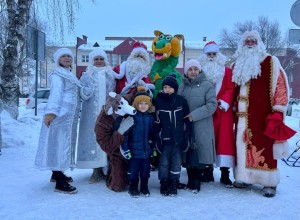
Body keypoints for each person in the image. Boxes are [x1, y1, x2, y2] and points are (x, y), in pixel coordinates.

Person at [231, 30, 296, 197]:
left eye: (253, 41)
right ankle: (243, 177)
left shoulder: (271, 62)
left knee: (265, 147)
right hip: (241, 117)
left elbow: (281, 86)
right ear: (242, 45)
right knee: (241, 146)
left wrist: (278, 110)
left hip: (263, 116)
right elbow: (231, 90)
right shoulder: (237, 64)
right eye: (247, 41)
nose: (250, 43)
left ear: (259, 43)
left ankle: (268, 182)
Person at [35, 48, 94, 194]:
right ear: (58, 60)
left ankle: (56, 174)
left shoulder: (68, 74)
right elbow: (55, 94)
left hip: (68, 118)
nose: (67, 58)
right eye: (63, 56)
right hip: (60, 117)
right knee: (60, 146)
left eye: (69, 56)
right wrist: (51, 113)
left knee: (60, 144)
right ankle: (60, 184)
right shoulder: (57, 75)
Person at [199, 41, 236, 187]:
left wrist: (224, 102)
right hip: (206, 112)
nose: (212, 57)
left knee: (224, 142)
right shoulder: (200, 71)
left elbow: (230, 88)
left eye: (214, 54)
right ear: (205, 55)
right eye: (209, 54)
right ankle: (207, 171)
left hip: (222, 112)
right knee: (207, 141)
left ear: (219, 55)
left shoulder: (227, 71)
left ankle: (225, 174)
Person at [76, 48, 116, 183]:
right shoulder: (87, 75)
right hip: (91, 114)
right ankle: (95, 170)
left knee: (106, 138)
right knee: (93, 139)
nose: (99, 62)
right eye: (96, 59)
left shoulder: (110, 75)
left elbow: (113, 93)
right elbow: (83, 94)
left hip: (106, 114)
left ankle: (107, 169)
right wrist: (87, 90)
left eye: (101, 59)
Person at [178, 59, 217, 193]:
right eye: (190, 69)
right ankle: (190, 180)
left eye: (195, 69)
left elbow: (212, 105)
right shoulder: (182, 86)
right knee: (187, 151)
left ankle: (196, 181)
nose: (193, 72)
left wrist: (193, 115)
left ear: (199, 70)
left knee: (199, 151)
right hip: (185, 126)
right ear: (186, 71)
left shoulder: (207, 85)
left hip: (201, 125)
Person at [154, 73, 190, 196]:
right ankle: (164, 182)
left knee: (176, 162)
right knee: (164, 162)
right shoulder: (158, 101)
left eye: (170, 87)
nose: (167, 89)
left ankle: (174, 181)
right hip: (164, 139)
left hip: (178, 139)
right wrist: (157, 139)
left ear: (175, 88)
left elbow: (186, 120)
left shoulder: (181, 101)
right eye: (165, 87)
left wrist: (186, 136)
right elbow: (156, 122)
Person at [120, 86, 155, 197]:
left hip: (147, 152)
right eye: (140, 103)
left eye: (145, 103)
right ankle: (133, 187)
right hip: (134, 151)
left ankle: (144, 186)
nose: (143, 106)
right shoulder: (132, 117)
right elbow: (126, 135)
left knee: (145, 170)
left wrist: (153, 147)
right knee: (134, 170)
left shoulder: (151, 118)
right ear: (136, 105)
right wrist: (126, 148)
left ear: (149, 105)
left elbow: (153, 134)